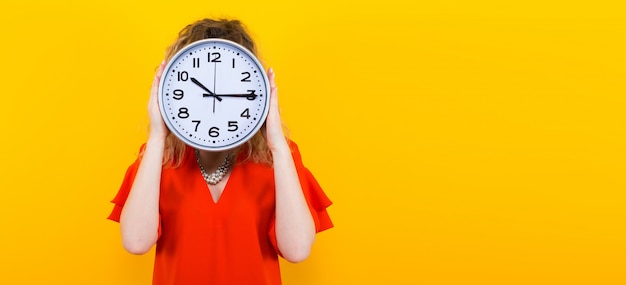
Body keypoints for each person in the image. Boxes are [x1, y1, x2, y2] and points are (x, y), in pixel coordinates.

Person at [108, 18, 333, 285]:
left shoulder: (279, 157)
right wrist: (157, 136)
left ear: (255, 90)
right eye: (198, 86)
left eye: (230, 87)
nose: (215, 97)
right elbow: (135, 242)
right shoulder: (158, 157)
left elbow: (296, 250)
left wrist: (276, 143)